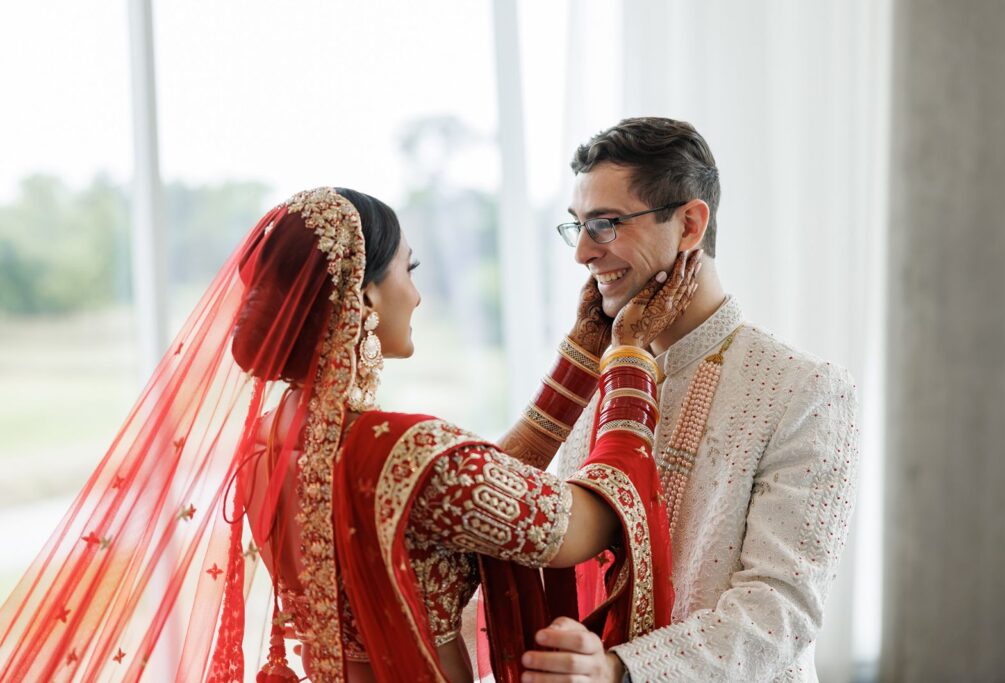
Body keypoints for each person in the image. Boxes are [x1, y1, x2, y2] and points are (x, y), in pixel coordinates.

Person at [0, 186, 696, 682]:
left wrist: (580, 355)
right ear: (362, 294)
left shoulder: (270, 442)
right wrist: (630, 353)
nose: (417, 295)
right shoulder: (404, 449)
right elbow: (584, 524)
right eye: (409, 270)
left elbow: (477, 498)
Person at [518, 118, 860, 682]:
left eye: (605, 224)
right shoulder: (599, 375)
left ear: (690, 224)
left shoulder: (805, 390)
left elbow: (780, 610)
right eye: (576, 226)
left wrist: (618, 671)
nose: (581, 252)